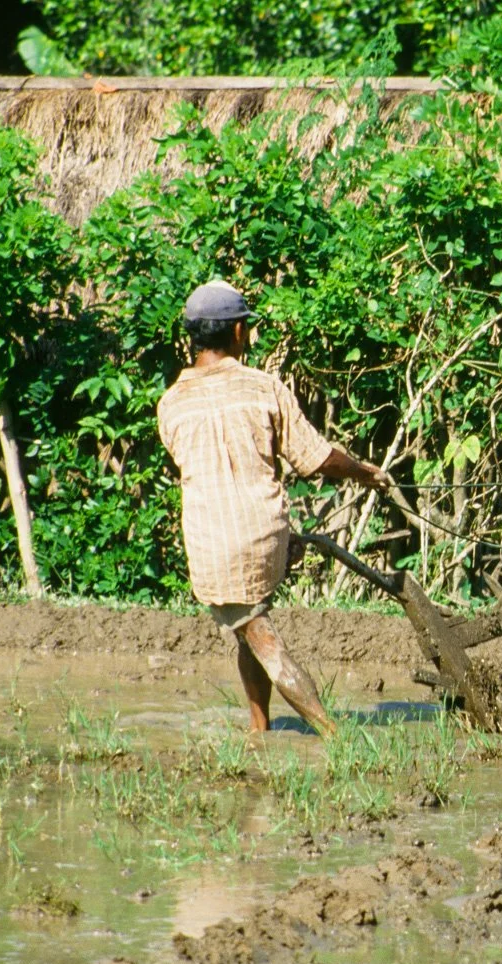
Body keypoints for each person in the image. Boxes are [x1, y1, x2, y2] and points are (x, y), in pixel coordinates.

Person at [158, 280, 390, 736]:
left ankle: (332, 734)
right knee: (252, 629)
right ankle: (265, 727)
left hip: (211, 545)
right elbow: (315, 458)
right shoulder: (264, 388)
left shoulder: (170, 404)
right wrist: (365, 472)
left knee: (260, 637)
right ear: (239, 332)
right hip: (264, 535)